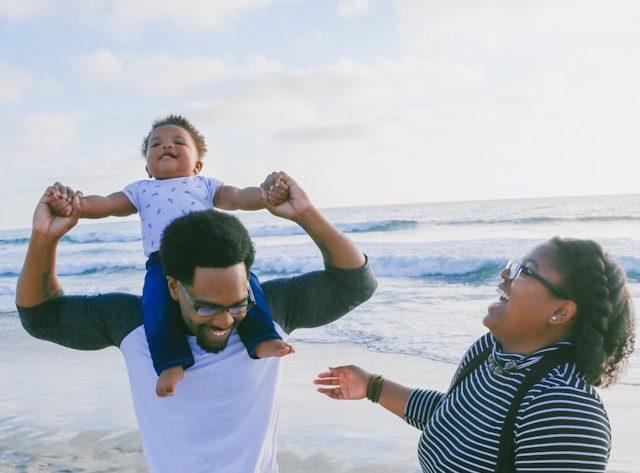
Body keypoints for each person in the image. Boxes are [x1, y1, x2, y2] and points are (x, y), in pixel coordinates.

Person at [17, 172, 377, 473]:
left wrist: (305, 213)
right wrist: (45, 239)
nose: (225, 319)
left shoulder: (268, 313)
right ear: (173, 286)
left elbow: (356, 283)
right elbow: (42, 316)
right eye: (206, 307)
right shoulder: (134, 323)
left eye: (237, 304)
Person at [314, 238, 635, 472]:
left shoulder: (564, 408)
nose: (506, 274)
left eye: (526, 271)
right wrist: (372, 386)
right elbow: (456, 420)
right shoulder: (488, 351)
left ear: (561, 311)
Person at [48, 114, 292, 398]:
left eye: (178, 142)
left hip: (211, 255)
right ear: (148, 167)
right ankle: (171, 362)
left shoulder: (205, 185)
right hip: (162, 262)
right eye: (156, 144)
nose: (166, 146)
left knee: (247, 285)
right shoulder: (141, 189)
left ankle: (262, 338)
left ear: (198, 165)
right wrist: (74, 205)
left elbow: (238, 197)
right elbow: (106, 204)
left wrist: (265, 195)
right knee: (154, 305)